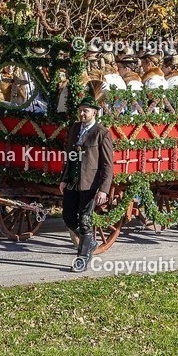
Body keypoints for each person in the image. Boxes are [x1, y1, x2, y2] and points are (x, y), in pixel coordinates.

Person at [59, 96, 114, 273]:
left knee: (84, 221)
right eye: (81, 110)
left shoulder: (102, 133)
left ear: (94, 112)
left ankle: (81, 259)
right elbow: (70, 156)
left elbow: (107, 164)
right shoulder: (75, 128)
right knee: (68, 217)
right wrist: (64, 178)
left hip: (90, 184)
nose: (82, 113)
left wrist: (103, 189)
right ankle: (89, 241)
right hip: (73, 182)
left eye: (86, 111)